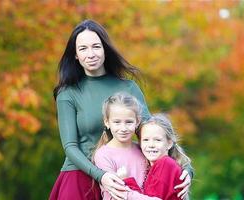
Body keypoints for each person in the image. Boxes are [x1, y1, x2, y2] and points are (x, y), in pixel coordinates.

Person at [49, 19, 192, 200]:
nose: (91, 54)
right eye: (83, 48)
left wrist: (185, 168)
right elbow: (70, 147)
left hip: (125, 177)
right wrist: (101, 176)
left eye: (96, 46)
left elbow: (153, 133)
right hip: (80, 177)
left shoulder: (128, 88)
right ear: (76, 55)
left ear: (105, 50)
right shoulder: (68, 93)